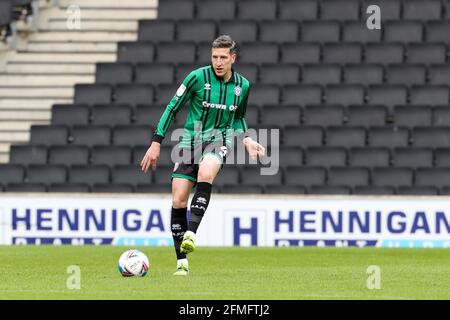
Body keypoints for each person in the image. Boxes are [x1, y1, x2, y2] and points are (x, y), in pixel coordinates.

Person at [140, 35, 265, 276]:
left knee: (207, 172)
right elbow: (172, 107)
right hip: (189, 142)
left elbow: (238, 117)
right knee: (178, 201)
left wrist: (247, 139)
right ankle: (182, 262)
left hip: (219, 139)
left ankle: (191, 232)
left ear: (233, 58)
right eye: (214, 57)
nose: (218, 62)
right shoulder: (197, 78)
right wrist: (156, 142)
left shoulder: (243, 86)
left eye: (223, 57)